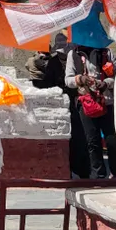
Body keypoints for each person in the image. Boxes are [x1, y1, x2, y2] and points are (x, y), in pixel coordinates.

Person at [26, 34, 90, 179]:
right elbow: (48, 83)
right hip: (63, 103)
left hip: (79, 100)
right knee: (73, 137)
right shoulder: (53, 63)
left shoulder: (76, 59)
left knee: (82, 137)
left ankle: (83, 170)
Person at [65, 44, 116, 179]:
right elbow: (68, 80)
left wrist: (106, 83)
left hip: (107, 102)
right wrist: (80, 79)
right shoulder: (73, 55)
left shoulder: (106, 53)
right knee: (92, 140)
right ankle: (99, 174)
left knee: (111, 139)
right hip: (86, 103)